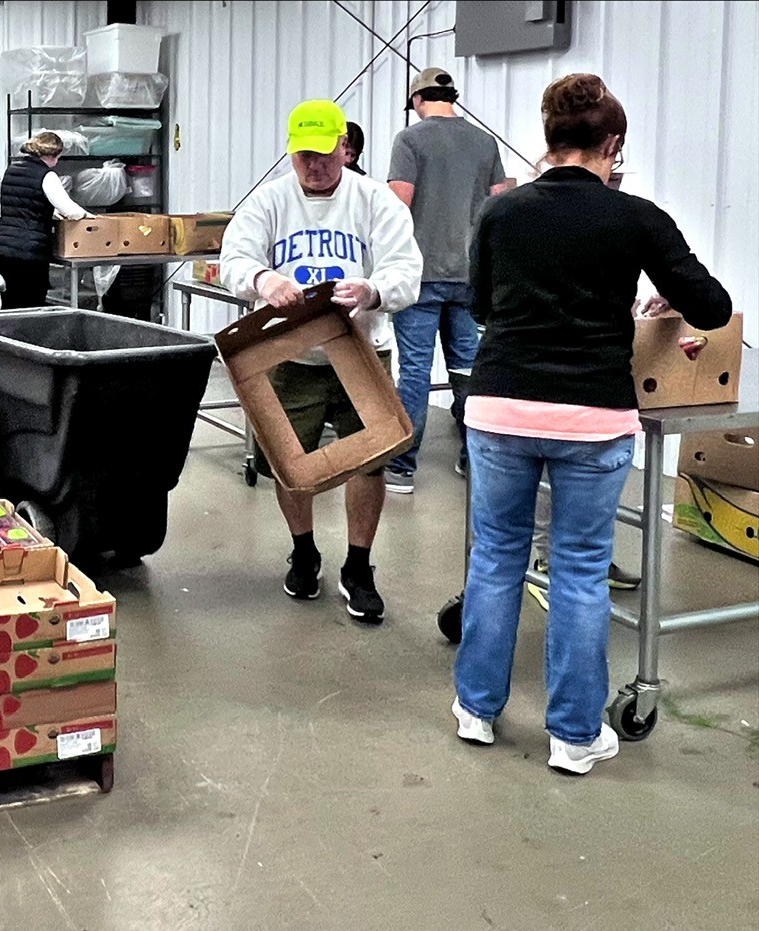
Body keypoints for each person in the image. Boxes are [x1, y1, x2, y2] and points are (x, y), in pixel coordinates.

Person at [451, 74, 732, 774]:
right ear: (612, 143)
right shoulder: (636, 217)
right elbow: (713, 307)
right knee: (580, 570)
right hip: (592, 415)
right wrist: (659, 290)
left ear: (549, 141)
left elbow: (480, 303)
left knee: (496, 556)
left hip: (501, 405)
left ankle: (476, 710)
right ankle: (576, 737)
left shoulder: (503, 212)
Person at [220, 99, 422, 621]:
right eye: (304, 154)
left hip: (362, 351)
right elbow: (234, 258)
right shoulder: (269, 202)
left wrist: (373, 290)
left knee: (370, 461)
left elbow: (406, 269)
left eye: (325, 152)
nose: (314, 164)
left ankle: (358, 565)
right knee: (292, 464)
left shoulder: (376, 201)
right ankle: (304, 550)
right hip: (291, 357)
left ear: (345, 147)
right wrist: (263, 280)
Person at [383, 67, 512, 495]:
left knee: (415, 371)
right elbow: (501, 204)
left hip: (419, 276)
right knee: (469, 371)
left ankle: (402, 467)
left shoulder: (410, 140)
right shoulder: (484, 142)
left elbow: (397, 207)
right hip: (470, 278)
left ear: (418, 100)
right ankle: (474, 460)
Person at [0, 132, 93, 309]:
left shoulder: (12, 169)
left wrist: (49, 213)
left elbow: (23, 205)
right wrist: (90, 217)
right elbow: (69, 210)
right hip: (28, 254)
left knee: (9, 306)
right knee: (31, 308)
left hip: (3, 252)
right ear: (55, 155)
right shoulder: (46, 176)